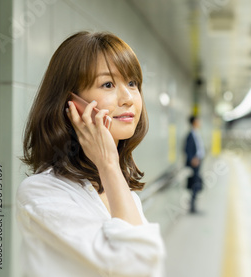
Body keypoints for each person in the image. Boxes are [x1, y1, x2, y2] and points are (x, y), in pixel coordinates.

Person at [17, 31, 165, 277]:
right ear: (72, 103)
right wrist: (108, 163)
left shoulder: (124, 194)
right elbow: (138, 267)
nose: (128, 98)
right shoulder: (41, 193)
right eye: (108, 84)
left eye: (132, 83)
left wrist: (110, 169)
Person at [184, 115, 205, 214]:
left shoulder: (196, 133)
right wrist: (192, 159)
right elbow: (187, 149)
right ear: (194, 122)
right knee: (194, 184)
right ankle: (192, 206)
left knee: (196, 184)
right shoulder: (190, 135)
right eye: (198, 120)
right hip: (194, 163)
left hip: (198, 162)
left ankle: (193, 205)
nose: (199, 122)